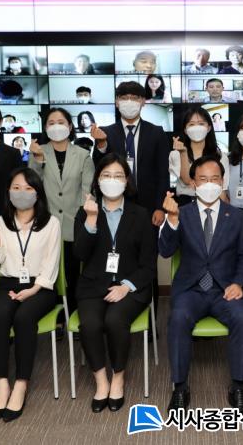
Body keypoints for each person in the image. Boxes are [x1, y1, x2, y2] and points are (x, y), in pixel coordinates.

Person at [159, 155, 243, 411]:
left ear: (222, 182)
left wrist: (239, 283)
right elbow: (165, 251)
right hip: (191, 290)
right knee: (178, 317)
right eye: (203, 179)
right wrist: (171, 220)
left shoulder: (237, 217)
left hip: (226, 290)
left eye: (214, 179)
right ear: (193, 183)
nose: (209, 184)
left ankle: (238, 386)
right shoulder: (182, 213)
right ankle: (180, 387)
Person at [73, 154, 156, 413]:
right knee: (90, 324)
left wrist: (126, 286)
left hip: (130, 286)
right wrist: (90, 220)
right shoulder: (86, 211)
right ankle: (101, 381)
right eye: (106, 175)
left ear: (126, 180)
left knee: (115, 320)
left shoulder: (140, 214)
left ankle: (118, 377)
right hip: (93, 285)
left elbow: (149, 264)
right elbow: (80, 255)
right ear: (98, 180)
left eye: (118, 175)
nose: (112, 180)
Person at [0, 167, 61, 422]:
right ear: (8, 191)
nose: (22, 193)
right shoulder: (0, 221)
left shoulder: (51, 223)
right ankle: (2, 385)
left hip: (40, 286)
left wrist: (34, 289)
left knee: (24, 317)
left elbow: (51, 263)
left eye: (28, 188)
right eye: (16, 188)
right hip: (8, 283)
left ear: (37, 193)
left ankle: (21, 385)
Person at [91, 81, 170, 318]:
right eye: (124, 97)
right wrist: (101, 144)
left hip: (148, 208)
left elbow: (162, 173)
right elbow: (99, 167)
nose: (129, 102)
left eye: (135, 97)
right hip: (114, 206)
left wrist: (160, 207)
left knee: (147, 261)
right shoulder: (106, 132)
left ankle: (150, 317)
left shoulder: (156, 132)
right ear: (117, 102)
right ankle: (113, 309)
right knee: (115, 255)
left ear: (143, 102)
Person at [29, 107, 94, 316]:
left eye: (61, 122)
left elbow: (87, 191)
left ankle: (74, 313)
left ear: (70, 126)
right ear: (45, 127)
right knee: (47, 272)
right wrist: (37, 159)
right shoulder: (38, 151)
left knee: (73, 272)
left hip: (74, 222)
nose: (56, 126)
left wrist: (83, 218)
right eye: (51, 123)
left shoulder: (83, 155)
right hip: (45, 222)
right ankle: (53, 315)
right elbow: (31, 186)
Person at [170, 107, 230, 205]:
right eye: (191, 124)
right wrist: (183, 153)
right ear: (185, 130)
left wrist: (225, 210)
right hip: (186, 203)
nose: (196, 128)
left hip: (214, 203)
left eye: (201, 124)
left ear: (209, 128)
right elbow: (187, 180)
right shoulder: (176, 154)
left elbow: (222, 190)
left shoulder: (220, 156)